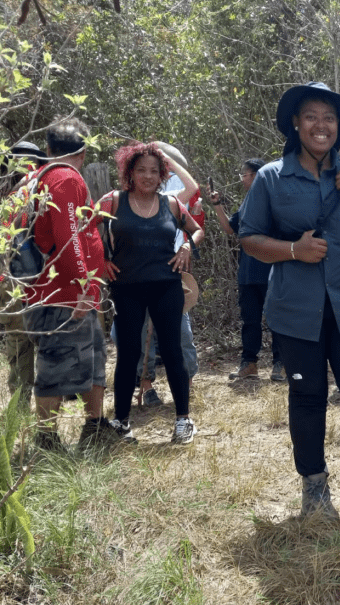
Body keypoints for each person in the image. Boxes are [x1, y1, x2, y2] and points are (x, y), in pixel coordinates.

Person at [239, 82, 340, 519]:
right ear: (295, 122)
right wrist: (293, 251)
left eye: (329, 118)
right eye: (311, 116)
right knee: (308, 397)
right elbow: (248, 237)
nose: (320, 125)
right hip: (295, 309)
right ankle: (314, 489)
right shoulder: (272, 177)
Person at [22, 118, 122, 452]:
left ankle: (94, 428)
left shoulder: (37, 178)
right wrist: (82, 285)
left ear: (49, 148)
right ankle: (47, 440)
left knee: (93, 360)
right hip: (63, 296)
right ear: (82, 151)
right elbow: (69, 238)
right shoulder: (64, 178)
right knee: (54, 364)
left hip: (64, 293)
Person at [98, 142, 204, 444]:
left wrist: (186, 246)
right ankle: (121, 422)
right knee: (128, 354)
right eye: (141, 170)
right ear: (130, 172)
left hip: (166, 286)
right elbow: (85, 228)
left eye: (154, 171)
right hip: (127, 288)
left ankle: (183, 419)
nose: (147, 176)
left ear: (162, 175)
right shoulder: (113, 201)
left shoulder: (171, 204)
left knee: (172, 351)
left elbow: (196, 229)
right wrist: (102, 259)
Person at [128, 142, 204, 406]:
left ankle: (186, 382)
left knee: (180, 330)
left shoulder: (170, 201)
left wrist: (166, 159)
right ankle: (146, 386)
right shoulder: (129, 199)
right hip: (137, 274)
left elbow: (193, 188)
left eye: (156, 168)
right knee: (142, 333)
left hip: (172, 272)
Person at [0, 141, 49, 403]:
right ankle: (43, 409)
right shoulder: (40, 192)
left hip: (11, 283)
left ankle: (21, 407)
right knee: (42, 343)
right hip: (40, 281)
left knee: (19, 346)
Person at [210, 158, 284, 381]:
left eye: (244, 174)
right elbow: (229, 229)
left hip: (272, 270)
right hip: (248, 273)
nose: (241, 179)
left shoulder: (276, 200)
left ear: (256, 175)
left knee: (277, 319)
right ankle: (249, 364)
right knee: (250, 319)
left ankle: (280, 364)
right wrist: (217, 204)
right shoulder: (246, 202)